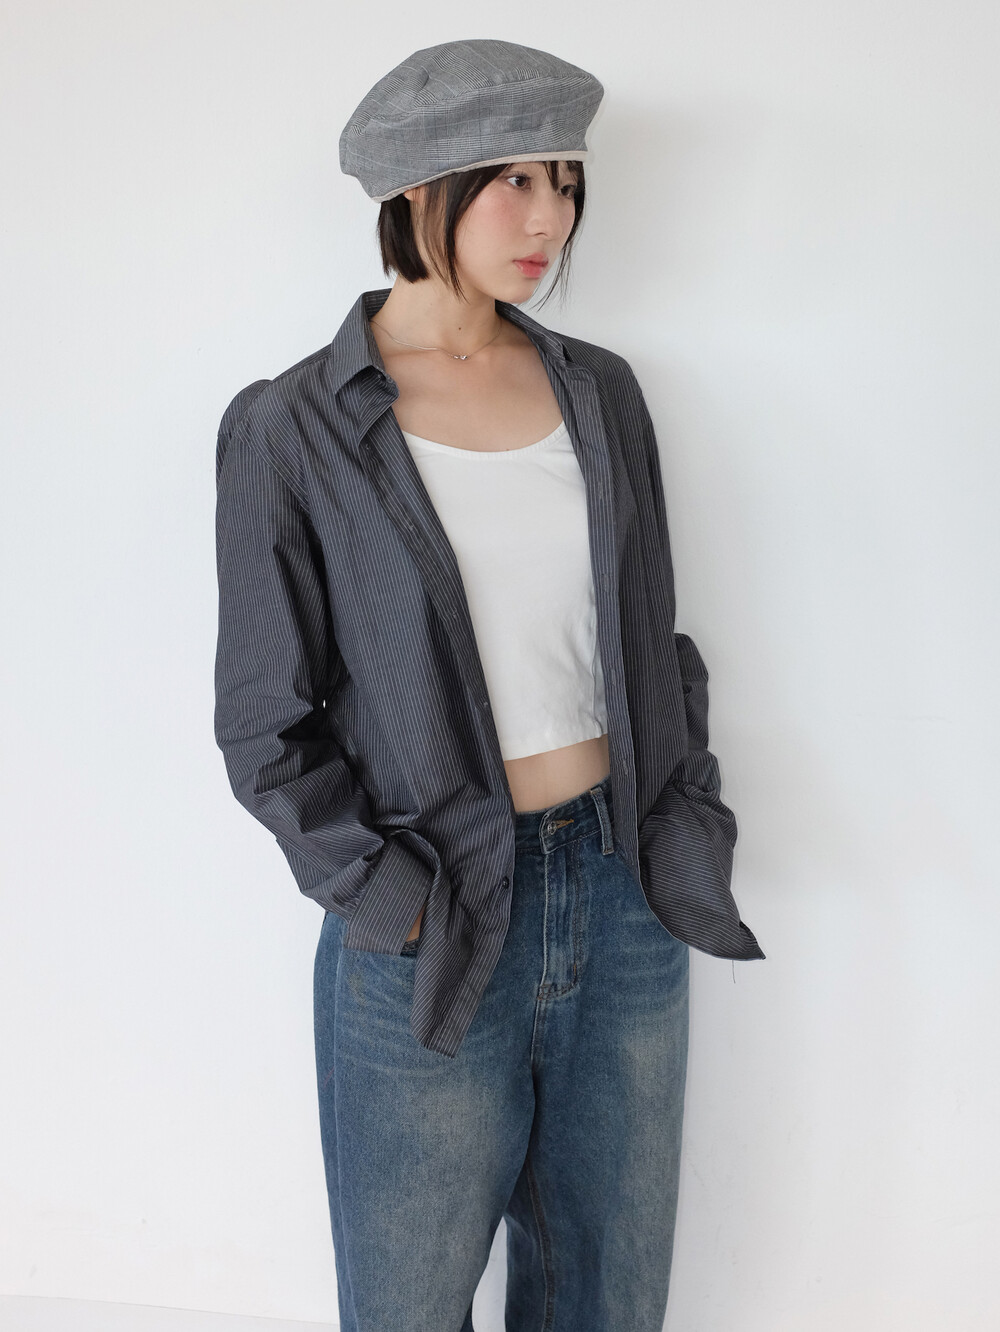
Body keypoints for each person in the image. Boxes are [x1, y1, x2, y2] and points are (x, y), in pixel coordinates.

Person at [214, 37, 764, 1332]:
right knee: (410, 1305)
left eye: (565, 180)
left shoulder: (600, 392)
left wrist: (681, 816)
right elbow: (263, 720)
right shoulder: (293, 427)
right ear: (417, 189)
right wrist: (386, 894)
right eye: (513, 179)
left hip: (621, 889)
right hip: (434, 911)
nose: (549, 217)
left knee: (608, 1295)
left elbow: (654, 640)